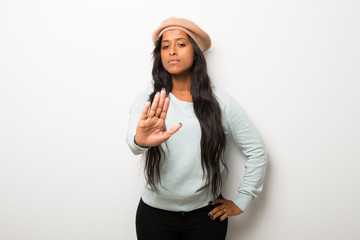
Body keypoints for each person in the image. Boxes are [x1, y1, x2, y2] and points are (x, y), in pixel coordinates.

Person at [126, 17, 268, 240]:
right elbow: (134, 144)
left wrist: (242, 200)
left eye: (181, 44)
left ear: (196, 53)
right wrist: (140, 140)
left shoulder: (221, 102)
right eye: (165, 46)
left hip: (206, 217)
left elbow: (257, 151)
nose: (172, 51)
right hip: (154, 217)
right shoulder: (148, 100)